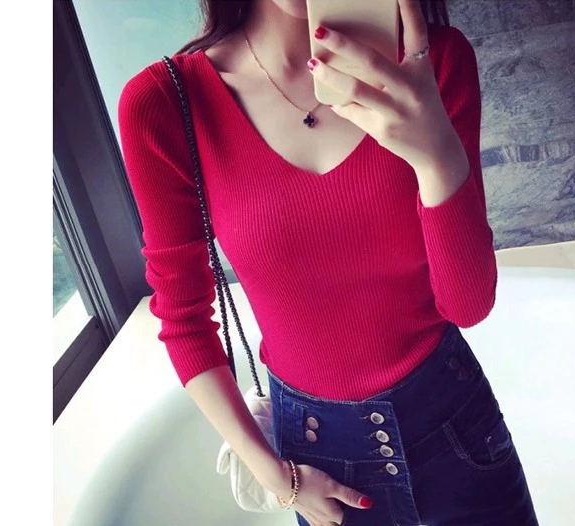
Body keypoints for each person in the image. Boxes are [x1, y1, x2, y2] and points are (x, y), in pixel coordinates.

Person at [118, 0, 538, 524]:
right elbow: (183, 318)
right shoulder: (165, 103)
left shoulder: (432, 64)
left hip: (458, 432)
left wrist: (437, 156)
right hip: (320, 466)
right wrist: (278, 479)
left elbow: (468, 304)